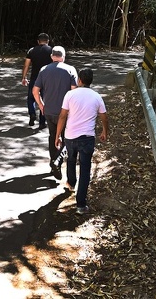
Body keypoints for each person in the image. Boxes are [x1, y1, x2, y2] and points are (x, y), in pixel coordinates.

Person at [55, 67, 108, 214]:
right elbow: (104, 117)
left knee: (71, 160)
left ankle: (71, 183)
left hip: (70, 136)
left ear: (79, 80)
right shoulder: (96, 96)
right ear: (90, 81)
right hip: (87, 138)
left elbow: (62, 115)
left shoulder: (70, 94)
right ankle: (81, 205)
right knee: (85, 169)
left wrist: (57, 134)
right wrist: (105, 131)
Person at [32, 45, 77, 179]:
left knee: (53, 136)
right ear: (63, 57)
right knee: (65, 137)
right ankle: (57, 162)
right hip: (65, 112)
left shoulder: (44, 69)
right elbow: (74, 91)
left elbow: (35, 90)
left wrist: (41, 105)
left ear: (52, 56)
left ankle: (53, 162)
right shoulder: (70, 70)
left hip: (49, 111)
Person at [21, 33, 53, 128]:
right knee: (44, 100)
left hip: (35, 78)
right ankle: (42, 122)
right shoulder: (52, 51)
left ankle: (32, 113)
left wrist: (24, 77)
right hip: (47, 79)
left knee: (31, 98)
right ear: (48, 41)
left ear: (38, 41)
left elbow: (26, 65)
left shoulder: (32, 50)